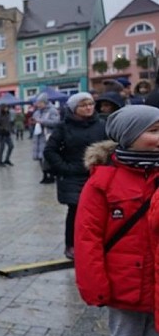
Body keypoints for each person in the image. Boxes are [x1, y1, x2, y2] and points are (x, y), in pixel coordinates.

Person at [75, 104, 159, 336]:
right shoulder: (103, 182)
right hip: (125, 283)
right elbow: (87, 238)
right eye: (152, 131)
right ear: (128, 137)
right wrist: (97, 285)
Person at [43, 92, 106, 259]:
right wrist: (64, 167)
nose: (88, 108)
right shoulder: (63, 127)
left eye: (91, 104)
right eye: (83, 105)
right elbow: (50, 150)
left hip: (96, 175)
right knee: (76, 210)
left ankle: (97, 243)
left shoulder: (102, 125)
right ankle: (71, 244)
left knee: (99, 211)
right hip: (72, 176)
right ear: (73, 109)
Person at [31, 93, 61, 183]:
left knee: (47, 157)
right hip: (38, 137)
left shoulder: (52, 111)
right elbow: (35, 121)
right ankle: (44, 175)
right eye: (37, 103)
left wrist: (41, 121)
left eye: (40, 103)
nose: (38, 105)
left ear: (45, 102)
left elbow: (56, 123)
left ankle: (51, 175)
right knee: (40, 158)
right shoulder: (37, 112)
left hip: (48, 137)